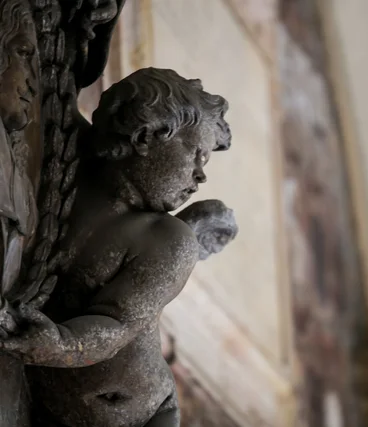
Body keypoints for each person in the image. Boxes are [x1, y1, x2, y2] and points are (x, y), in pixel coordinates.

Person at [0, 67, 234, 427]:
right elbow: (47, 88)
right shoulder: (67, 153)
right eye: (197, 155)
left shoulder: (167, 239)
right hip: (44, 400)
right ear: (146, 136)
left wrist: (61, 345)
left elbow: (117, 323)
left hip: (145, 417)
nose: (201, 175)